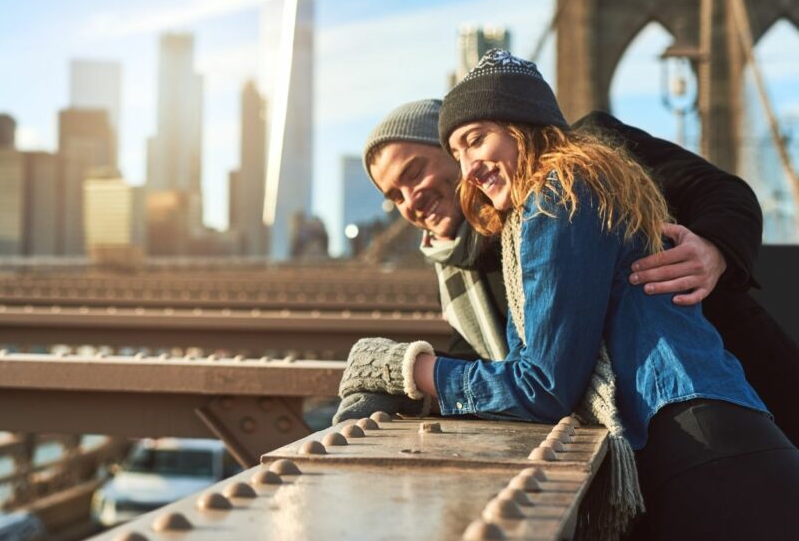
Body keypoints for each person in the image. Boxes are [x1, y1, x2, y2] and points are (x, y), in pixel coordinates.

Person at [337, 50, 799, 541]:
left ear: (520, 122)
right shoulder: (506, 236)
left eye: (472, 141)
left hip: (710, 433)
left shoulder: (560, 192)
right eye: (393, 195)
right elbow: (509, 361)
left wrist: (408, 370)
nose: (412, 198)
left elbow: (541, 383)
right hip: (672, 451)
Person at [338, 91, 799, 448]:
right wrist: (397, 382)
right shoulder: (463, 277)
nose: (410, 199)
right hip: (641, 441)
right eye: (395, 195)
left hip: (733, 386)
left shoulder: (584, 158)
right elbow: (485, 367)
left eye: (414, 171)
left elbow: (720, 191)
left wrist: (714, 249)